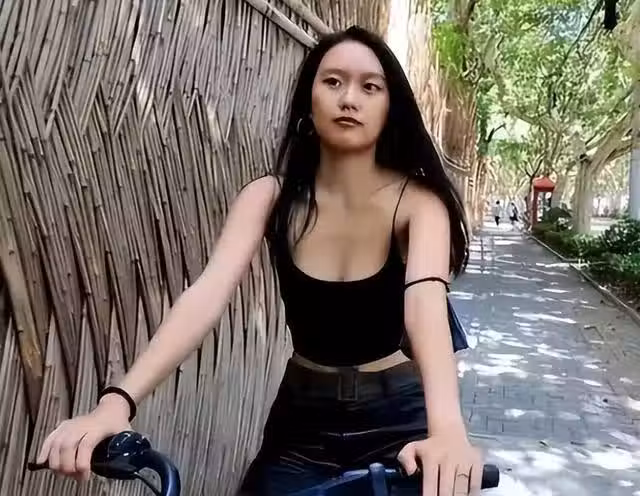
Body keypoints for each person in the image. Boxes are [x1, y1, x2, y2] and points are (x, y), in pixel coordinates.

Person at [36, 26, 483, 495]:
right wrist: (116, 403)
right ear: (308, 100)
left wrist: (448, 432)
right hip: (302, 424)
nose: (349, 98)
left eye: (370, 87)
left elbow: (425, 309)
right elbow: (206, 295)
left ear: (390, 107)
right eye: (333, 82)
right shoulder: (268, 197)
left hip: (398, 419)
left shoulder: (418, 204)